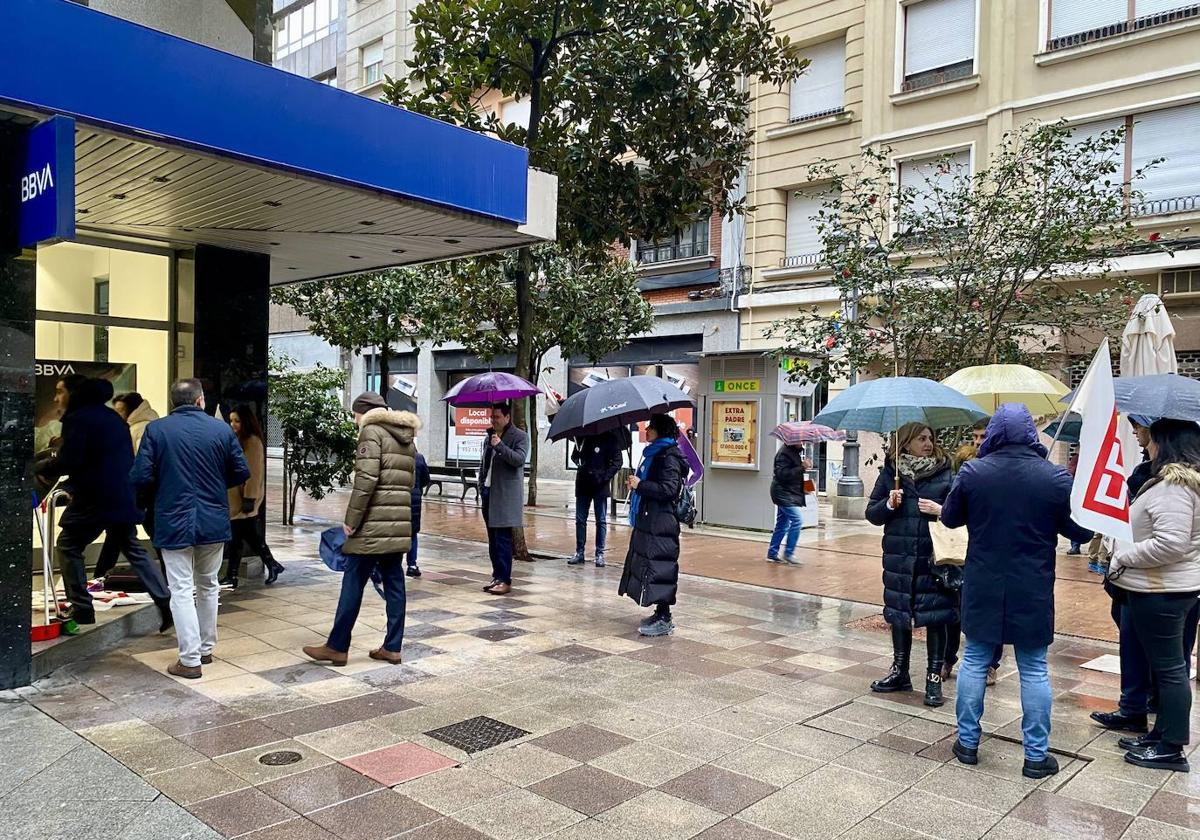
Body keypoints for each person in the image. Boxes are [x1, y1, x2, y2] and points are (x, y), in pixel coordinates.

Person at [941, 403, 1093, 779]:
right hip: (1033, 586)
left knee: (975, 659)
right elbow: (1082, 533)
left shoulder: (974, 472)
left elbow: (949, 517)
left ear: (994, 432)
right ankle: (1036, 756)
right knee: (1034, 668)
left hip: (983, 582)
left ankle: (968, 743)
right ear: (1030, 433)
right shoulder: (1055, 478)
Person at [131, 379, 250, 679]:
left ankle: (190, 658)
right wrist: (212, 485)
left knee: (181, 589)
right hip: (213, 518)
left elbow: (141, 476)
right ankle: (206, 649)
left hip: (172, 519)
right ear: (200, 401)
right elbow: (240, 471)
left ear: (173, 403)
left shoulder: (157, 430)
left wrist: (160, 494)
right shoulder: (221, 429)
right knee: (209, 583)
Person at [36, 377, 172, 631]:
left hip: (94, 498)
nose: (56, 398)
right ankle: (165, 601)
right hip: (121, 496)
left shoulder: (78, 419)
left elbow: (71, 460)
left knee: (68, 545)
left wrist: (43, 465)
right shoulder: (113, 419)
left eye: (60, 392)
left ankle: (82, 607)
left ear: (74, 393)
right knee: (134, 549)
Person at [1105, 419, 1200, 772]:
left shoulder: (1174, 487)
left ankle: (1170, 747)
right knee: (1167, 668)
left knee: (1170, 670)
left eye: (1153, 440)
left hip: (1162, 590)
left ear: (1167, 443)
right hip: (1167, 587)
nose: (1147, 445)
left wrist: (1122, 555)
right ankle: (1159, 735)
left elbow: (1171, 542)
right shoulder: (1178, 483)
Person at [303, 393, 420, 666]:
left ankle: (337, 646)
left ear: (363, 413)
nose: (355, 421)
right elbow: (409, 481)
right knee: (394, 583)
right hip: (397, 525)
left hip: (371, 526)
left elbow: (366, 480)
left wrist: (351, 520)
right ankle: (392, 647)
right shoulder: (405, 436)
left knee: (353, 581)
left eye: (355, 415)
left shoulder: (371, 431)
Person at [865, 422, 956, 706]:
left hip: (934, 558)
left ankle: (933, 678)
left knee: (936, 616)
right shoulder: (892, 474)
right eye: (921, 438)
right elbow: (872, 514)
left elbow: (962, 513)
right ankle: (900, 671)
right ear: (905, 443)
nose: (928, 443)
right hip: (900, 557)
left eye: (930, 437)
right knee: (899, 613)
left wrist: (942, 510)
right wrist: (890, 504)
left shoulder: (946, 473)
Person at [942, 417, 1003, 685]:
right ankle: (946, 658)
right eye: (975, 437)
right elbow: (952, 506)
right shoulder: (964, 465)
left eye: (983, 437)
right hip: (959, 547)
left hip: (989, 553)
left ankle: (991, 664)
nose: (978, 442)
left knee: (992, 611)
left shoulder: (1002, 470)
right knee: (954, 607)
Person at [618, 414, 689, 637]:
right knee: (652, 566)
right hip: (651, 518)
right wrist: (638, 485)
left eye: (650, 427)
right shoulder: (654, 454)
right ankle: (660, 612)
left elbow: (668, 490)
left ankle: (665, 617)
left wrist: (642, 485)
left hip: (661, 521)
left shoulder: (667, 456)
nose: (646, 430)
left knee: (660, 568)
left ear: (660, 431)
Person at [93, 392, 161, 579]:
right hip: (139, 491)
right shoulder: (139, 427)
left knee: (123, 535)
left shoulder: (141, 428)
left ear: (133, 410)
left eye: (121, 410)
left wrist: (139, 491)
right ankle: (165, 578)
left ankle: (100, 575)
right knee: (123, 535)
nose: (118, 414)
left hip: (139, 492)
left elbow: (143, 463)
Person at [220, 404, 283, 589]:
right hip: (236, 499)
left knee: (242, 538)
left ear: (245, 421)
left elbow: (253, 473)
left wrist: (249, 498)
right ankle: (268, 566)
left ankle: (237, 574)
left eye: (237, 421)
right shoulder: (238, 439)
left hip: (244, 500)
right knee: (241, 538)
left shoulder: (252, 441)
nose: (233, 424)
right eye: (231, 420)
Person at [478, 403, 528, 596]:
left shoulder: (520, 436)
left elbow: (518, 460)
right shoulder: (488, 437)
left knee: (503, 539)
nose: (493, 420)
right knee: (492, 539)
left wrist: (500, 445)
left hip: (505, 496)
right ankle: (497, 576)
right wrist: (481, 486)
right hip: (489, 493)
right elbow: (484, 464)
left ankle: (505, 579)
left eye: (497, 417)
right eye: (492, 417)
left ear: (507, 418)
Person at [569, 430, 623, 567]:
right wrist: (578, 461)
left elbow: (618, 461)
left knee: (601, 520)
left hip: (600, 486)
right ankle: (579, 552)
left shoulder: (610, 438)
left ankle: (600, 553)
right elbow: (574, 456)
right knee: (580, 520)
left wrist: (605, 476)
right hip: (583, 484)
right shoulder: (582, 437)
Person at [767, 441, 810, 565]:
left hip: (788, 492)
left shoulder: (794, 452)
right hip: (782, 493)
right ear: (791, 440)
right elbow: (783, 475)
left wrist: (805, 487)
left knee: (782, 524)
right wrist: (802, 467)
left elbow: (795, 475)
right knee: (797, 520)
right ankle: (789, 553)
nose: (801, 442)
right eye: (799, 440)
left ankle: (772, 553)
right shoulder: (784, 454)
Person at [407, 451, 431, 578]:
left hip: (397, 497)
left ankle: (390, 565)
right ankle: (412, 565)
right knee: (413, 532)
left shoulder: (394, 454)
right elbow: (426, 479)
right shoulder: (419, 457)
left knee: (395, 531)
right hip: (415, 498)